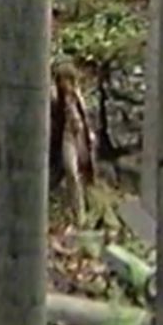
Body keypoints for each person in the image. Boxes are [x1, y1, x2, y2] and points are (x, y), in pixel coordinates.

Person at [49, 62, 97, 226]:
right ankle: (77, 213)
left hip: (80, 135)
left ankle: (81, 214)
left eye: (67, 80)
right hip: (66, 136)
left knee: (83, 172)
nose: (65, 84)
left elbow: (84, 118)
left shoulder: (77, 96)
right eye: (61, 81)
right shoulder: (56, 98)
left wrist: (89, 134)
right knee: (71, 171)